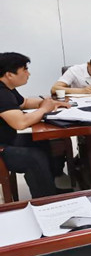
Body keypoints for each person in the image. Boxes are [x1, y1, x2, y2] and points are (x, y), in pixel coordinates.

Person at [0, 52, 71, 198]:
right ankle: (45, 201)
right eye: (25, 70)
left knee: (44, 141)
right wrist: (44, 109)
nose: (29, 73)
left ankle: (49, 189)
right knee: (34, 157)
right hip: (2, 146)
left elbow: (24, 103)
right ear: (9, 74)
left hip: (7, 139)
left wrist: (48, 103)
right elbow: (20, 123)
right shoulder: (1, 94)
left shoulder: (7, 88)